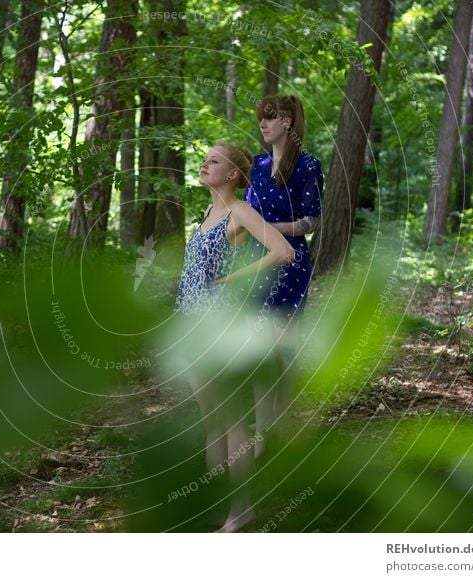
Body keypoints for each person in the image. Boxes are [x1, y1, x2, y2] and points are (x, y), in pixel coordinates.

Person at [175, 142, 295, 532]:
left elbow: (283, 251)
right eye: (204, 158)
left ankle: (242, 509)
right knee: (211, 422)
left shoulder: (239, 211)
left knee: (231, 421)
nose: (204, 163)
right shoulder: (208, 213)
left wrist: (233, 278)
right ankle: (216, 505)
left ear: (231, 175)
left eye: (213, 160)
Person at [244, 94, 324, 454]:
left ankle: (282, 424)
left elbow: (311, 222)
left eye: (270, 117)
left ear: (287, 122)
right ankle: (262, 434)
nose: (262, 123)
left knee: (285, 350)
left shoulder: (308, 166)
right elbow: (244, 212)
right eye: (261, 118)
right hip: (255, 264)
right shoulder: (257, 166)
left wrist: (270, 227)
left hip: (291, 265)